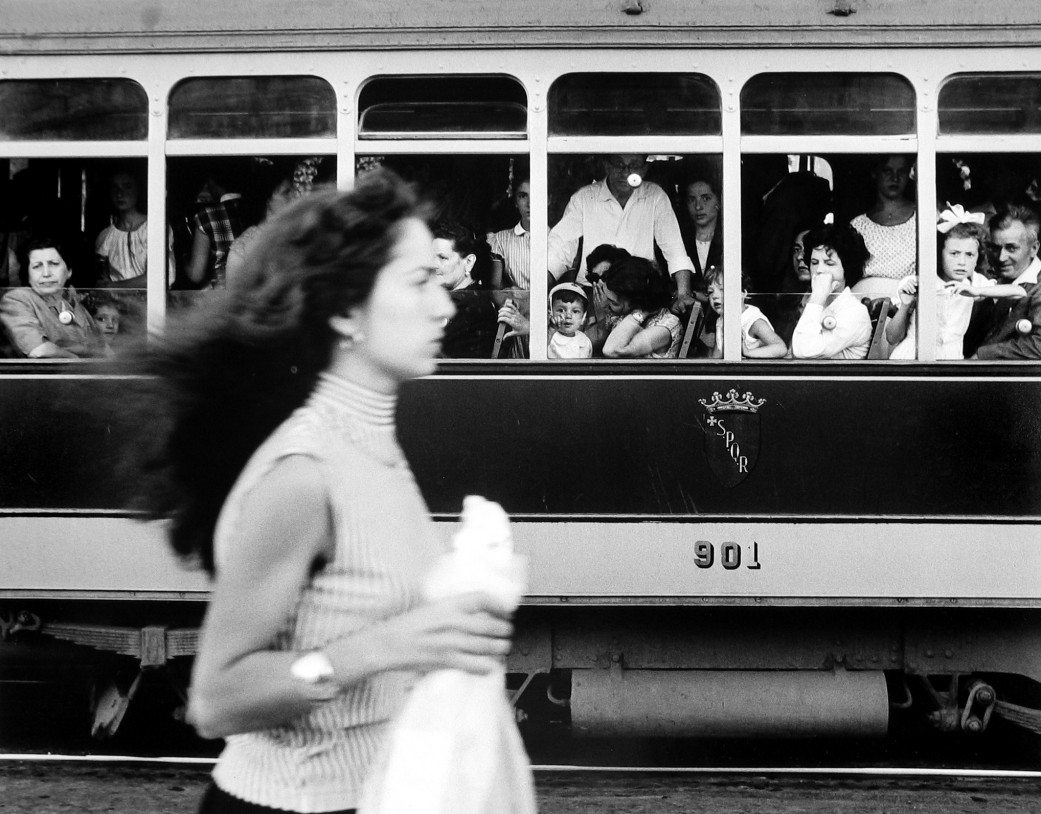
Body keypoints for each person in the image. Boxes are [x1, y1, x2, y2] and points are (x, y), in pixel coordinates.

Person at [128, 172, 514, 813]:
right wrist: (388, 646)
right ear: (343, 309)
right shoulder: (304, 471)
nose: (445, 305)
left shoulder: (373, 445)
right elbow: (216, 700)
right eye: (418, 282)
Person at [547, 154, 696, 314]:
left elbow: (674, 249)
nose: (626, 172)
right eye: (619, 164)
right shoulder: (584, 197)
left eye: (634, 165)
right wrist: (536, 292)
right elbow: (559, 249)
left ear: (644, 169)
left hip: (639, 299)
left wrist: (683, 293)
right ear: (607, 166)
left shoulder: (655, 196)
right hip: (594, 295)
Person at [887, 207, 1026, 360]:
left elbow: (1020, 291)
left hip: (951, 359)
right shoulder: (919, 282)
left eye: (969, 255)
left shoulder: (974, 282)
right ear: (939, 254)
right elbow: (892, 337)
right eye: (954, 254)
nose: (961, 262)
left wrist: (977, 291)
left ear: (977, 258)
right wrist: (906, 305)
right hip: (913, 357)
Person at [0, 236, 107, 358]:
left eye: (54, 264)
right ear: (28, 275)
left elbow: (104, 351)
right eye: (37, 266)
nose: (46, 273)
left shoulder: (74, 301)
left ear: (69, 271)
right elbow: (38, 351)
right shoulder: (17, 299)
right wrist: (77, 362)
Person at [970, 203, 1041, 360]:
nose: (1001, 258)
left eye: (1011, 248)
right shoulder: (988, 280)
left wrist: (981, 356)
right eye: (995, 248)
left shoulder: (1038, 288)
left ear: (1034, 248)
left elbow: (1039, 346)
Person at [790, 223, 873, 360]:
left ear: (847, 268)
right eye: (814, 262)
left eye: (829, 263)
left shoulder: (855, 312)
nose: (819, 270)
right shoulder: (819, 304)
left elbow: (803, 351)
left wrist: (817, 298)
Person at [94, 169, 176, 288]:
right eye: (115, 188)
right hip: (116, 305)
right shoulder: (106, 236)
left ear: (138, 190)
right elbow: (103, 284)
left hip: (152, 303)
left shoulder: (154, 227)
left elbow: (160, 278)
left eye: (127, 187)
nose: (120, 194)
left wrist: (115, 286)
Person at [850, 155, 917, 298]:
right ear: (875, 173)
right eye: (887, 171)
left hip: (909, 303)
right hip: (864, 305)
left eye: (902, 172)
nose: (895, 178)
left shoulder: (922, 217)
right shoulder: (858, 225)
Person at [591, 255, 682, 358]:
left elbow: (611, 350)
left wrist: (639, 313)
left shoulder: (664, 327)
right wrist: (601, 317)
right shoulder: (622, 314)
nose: (605, 304)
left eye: (614, 302)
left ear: (635, 302)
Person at [433, 220, 499, 358]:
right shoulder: (455, 300)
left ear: (469, 262)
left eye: (442, 258)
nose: (433, 265)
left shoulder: (473, 307)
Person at [225, 174, 297, 285]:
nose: (294, 198)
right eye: (286, 193)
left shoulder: (298, 235)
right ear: (266, 200)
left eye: (293, 191)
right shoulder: (242, 248)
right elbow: (235, 297)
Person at [705, 266, 788, 359]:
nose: (714, 296)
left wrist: (747, 352)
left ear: (743, 293)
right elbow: (717, 355)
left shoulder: (754, 322)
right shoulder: (721, 319)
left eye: (722, 290)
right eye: (710, 292)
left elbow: (781, 348)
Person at [186, 170, 246, 289]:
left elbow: (196, 274)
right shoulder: (256, 210)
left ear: (213, 182)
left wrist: (182, 260)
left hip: (219, 294)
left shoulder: (207, 215)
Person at [679, 177, 722, 292]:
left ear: (719, 201)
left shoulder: (730, 237)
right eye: (691, 200)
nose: (698, 206)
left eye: (706, 198)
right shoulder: (679, 241)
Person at [487, 176, 530, 290]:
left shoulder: (558, 238)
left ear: (548, 200)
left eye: (536, 195)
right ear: (515, 202)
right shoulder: (501, 239)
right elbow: (495, 287)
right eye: (523, 196)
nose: (530, 204)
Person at [547, 282, 592, 359]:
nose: (568, 316)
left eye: (575, 311)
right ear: (550, 311)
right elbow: (537, 351)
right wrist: (551, 329)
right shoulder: (549, 338)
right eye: (561, 310)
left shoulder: (585, 341)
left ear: (583, 316)